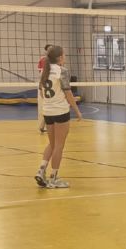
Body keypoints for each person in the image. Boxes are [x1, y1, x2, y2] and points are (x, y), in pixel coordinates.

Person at [36, 44, 83, 188]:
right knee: (59, 146)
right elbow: (68, 93)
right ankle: (53, 178)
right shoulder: (62, 71)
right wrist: (77, 110)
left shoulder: (44, 71)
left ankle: (41, 171)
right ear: (60, 57)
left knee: (52, 144)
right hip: (60, 111)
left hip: (48, 112)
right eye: (64, 55)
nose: (65, 57)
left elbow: (42, 92)